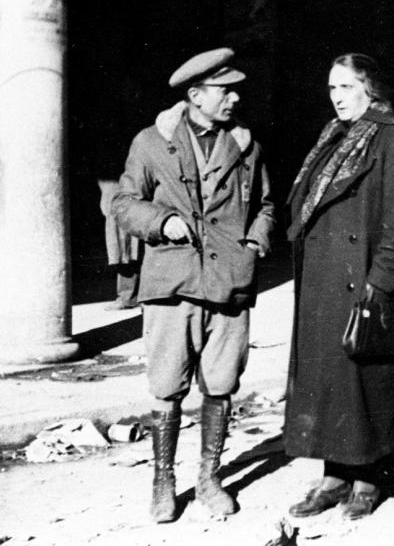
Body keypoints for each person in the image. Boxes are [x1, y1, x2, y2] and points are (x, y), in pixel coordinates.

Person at [113, 48, 276, 523]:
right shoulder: (150, 143)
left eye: (234, 89)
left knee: (221, 384)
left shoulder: (246, 146)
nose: (235, 98)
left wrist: (255, 240)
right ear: (195, 95)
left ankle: (209, 478)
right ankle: (163, 482)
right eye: (225, 90)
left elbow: (266, 205)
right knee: (167, 386)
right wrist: (161, 223)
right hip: (171, 283)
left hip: (228, 282)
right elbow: (124, 202)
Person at [283, 53, 394, 521]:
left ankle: (368, 480)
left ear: (371, 90)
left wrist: (379, 283)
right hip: (323, 283)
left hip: (363, 284)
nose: (338, 97)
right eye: (332, 89)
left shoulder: (393, 140)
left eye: (346, 87)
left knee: (366, 386)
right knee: (330, 386)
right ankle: (333, 476)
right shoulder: (333, 137)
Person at [97, 178, 141, 310]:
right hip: (115, 191)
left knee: (130, 247)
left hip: (129, 189)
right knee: (124, 248)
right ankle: (128, 295)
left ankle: (129, 296)